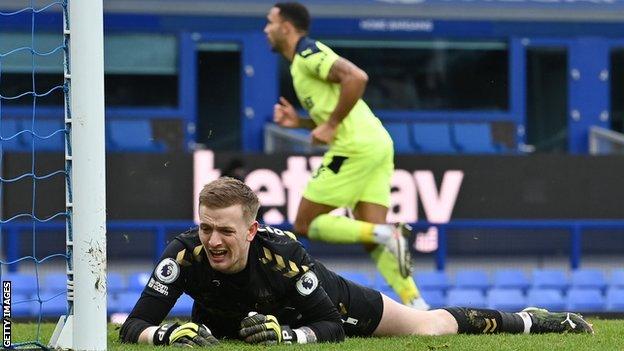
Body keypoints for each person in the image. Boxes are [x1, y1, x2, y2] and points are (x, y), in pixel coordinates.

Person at [119, 177, 593, 347]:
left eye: (226, 231)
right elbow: (133, 324)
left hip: (329, 301)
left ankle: (530, 321)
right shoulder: (183, 253)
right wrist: (161, 334)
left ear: (251, 230)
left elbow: (330, 327)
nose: (214, 240)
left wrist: (288, 336)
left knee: (430, 327)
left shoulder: (282, 255)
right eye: (206, 227)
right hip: (237, 322)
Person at [264, 1, 428, 310]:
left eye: (269, 23)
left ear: (286, 27)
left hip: (353, 147)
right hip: (376, 143)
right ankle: (416, 303)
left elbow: (357, 77)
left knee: (304, 223)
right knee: (371, 236)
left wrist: (331, 124)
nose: (265, 29)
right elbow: (333, 111)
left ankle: (389, 233)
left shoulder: (308, 53)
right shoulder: (300, 66)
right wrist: (299, 122)